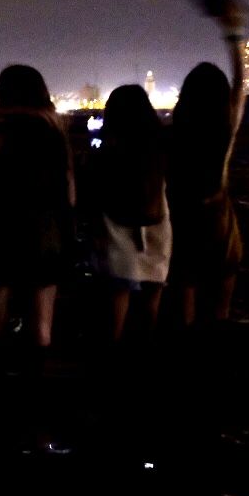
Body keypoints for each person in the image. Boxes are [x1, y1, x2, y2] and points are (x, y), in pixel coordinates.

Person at [0, 65, 74, 350]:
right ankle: (35, 381)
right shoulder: (55, 131)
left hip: (2, 226)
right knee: (41, 325)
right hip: (46, 229)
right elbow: (70, 191)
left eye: (1, 85)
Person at [167, 0, 247, 327]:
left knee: (184, 303)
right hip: (220, 222)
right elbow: (241, 85)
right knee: (220, 314)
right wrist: (233, 34)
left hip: (184, 219)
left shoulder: (174, 135)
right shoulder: (224, 132)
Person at [92, 84, 170, 341]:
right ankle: (147, 359)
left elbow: (97, 190)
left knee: (117, 301)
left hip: (117, 226)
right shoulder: (160, 145)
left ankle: (112, 362)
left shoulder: (109, 149)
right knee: (152, 304)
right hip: (156, 227)